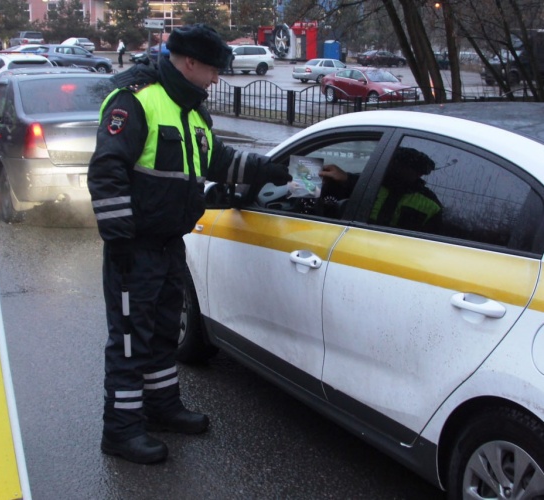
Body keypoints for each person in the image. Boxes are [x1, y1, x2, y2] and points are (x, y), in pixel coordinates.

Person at [87, 24, 292, 465]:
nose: (218, 79)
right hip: (134, 247)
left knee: (163, 332)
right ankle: (120, 431)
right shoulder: (137, 100)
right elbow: (107, 171)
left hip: (167, 245)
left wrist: (263, 168)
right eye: (214, 70)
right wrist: (119, 238)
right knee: (129, 340)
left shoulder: (192, 112)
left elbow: (217, 159)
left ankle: (161, 408)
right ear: (191, 63)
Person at [319, 146, 442, 232]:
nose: (389, 168)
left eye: (396, 165)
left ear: (417, 173)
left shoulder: (431, 205)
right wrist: (346, 178)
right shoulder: (371, 184)